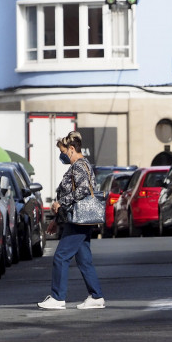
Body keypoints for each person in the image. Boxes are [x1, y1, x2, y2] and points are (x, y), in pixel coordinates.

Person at [38, 131, 105, 310]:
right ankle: (96, 297)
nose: (62, 155)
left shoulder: (79, 166)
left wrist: (61, 202)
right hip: (78, 218)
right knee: (84, 260)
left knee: (60, 257)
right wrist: (56, 220)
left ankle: (58, 298)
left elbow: (82, 190)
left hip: (78, 219)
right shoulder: (80, 166)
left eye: (63, 151)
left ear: (72, 149)